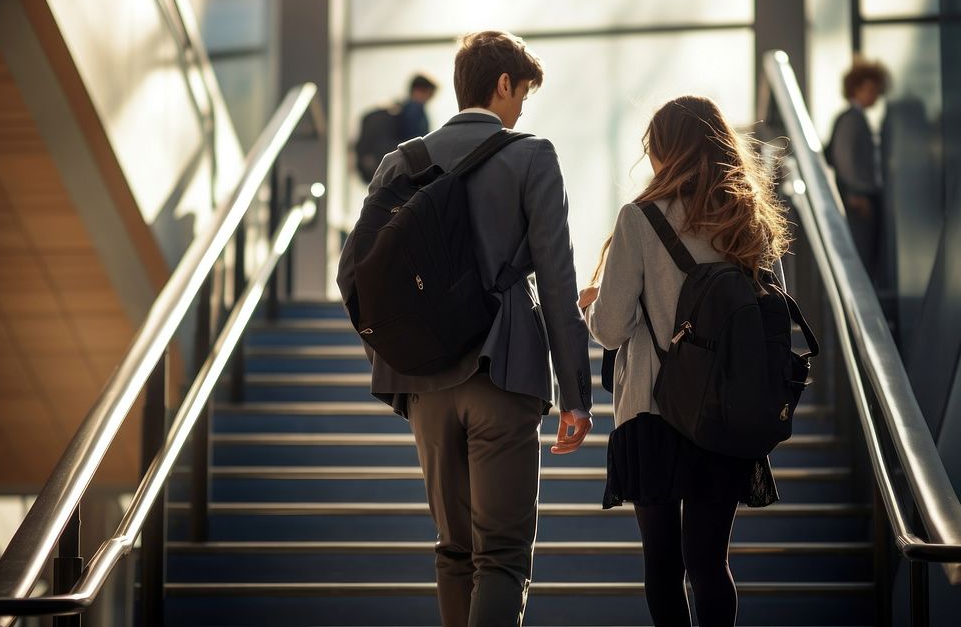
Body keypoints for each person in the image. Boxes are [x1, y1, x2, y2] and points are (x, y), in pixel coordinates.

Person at [337, 30, 593, 627]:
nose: (522, 108)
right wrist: (575, 396)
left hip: (422, 383)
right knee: (501, 558)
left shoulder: (401, 160)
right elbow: (558, 281)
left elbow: (356, 272)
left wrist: (400, 349)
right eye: (522, 94)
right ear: (503, 84)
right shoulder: (532, 156)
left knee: (454, 551)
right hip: (501, 373)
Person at [579, 96, 785, 626]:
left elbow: (611, 328)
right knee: (710, 564)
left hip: (654, 410)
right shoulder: (748, 222)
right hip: (726, 411)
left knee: (664, 565)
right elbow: (768, 321)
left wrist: (592, 303)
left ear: (664, 151)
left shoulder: (641, 219)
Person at [827, 57, 889, 279]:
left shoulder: (858, 118)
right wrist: (855, 193)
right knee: (862, 254)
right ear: (856, 89)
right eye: (870, 89)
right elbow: (844, 158)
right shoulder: (851, 120)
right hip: (858, 199)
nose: (875, 95)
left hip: (862, 196)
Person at [400, 73, 438, 140]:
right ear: (418, 91)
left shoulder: (403, 107)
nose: (430, 98)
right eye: (430, 93)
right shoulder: (414, 110)